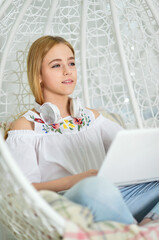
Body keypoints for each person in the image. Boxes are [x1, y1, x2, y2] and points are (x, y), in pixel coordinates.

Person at [5, 35, 159, 226]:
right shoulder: (26, 126)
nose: (67, 71)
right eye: (56, 65)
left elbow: (131, 149)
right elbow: (21, 190)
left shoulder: (93, 117)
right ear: (38, 76)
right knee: (93, 188)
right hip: (72, 201)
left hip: (115, 199)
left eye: (71, 63)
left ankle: (140, 228)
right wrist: (76, 180)